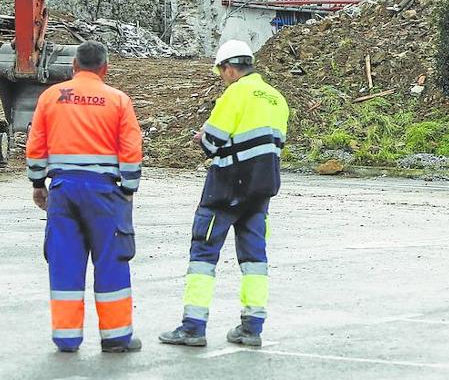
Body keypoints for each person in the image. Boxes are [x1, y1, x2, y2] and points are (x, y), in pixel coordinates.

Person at [159, 39, 289, 349]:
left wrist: (202, 136)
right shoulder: (276, 98)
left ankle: (193, 327)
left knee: (203, 256)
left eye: (221, 71)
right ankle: (252, 328)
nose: (221, 76)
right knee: (255, 259)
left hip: (226, 189)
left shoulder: (235, 94)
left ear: (229, 68)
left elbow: (211, 142)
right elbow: (276, 144)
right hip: (261, 191)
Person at [25, 40, 143, 354]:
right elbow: (131, 152)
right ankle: (116, 337)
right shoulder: (118, 100)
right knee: (111, 260)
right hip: (105, 192)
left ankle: (66, 338)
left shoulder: (51, 96)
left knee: (64, 260)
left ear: (74, 66)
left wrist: (38, 184)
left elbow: (36, 146)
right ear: (104, 69)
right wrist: (129, 190)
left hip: (63, 192)